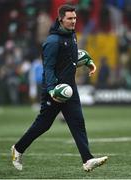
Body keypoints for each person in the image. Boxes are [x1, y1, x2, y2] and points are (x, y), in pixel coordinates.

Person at [11, 4, 108, 172]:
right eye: (70, 18)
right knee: (43, 125)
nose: (73, 21)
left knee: (78, 122)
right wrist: (51, 90)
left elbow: (71, 58)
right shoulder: (52, 42)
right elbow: (48, 68)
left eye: (75, 18)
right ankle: (18, 149)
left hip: (70, 88)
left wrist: (88, 62)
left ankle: (87, 160)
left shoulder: (72, 35)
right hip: (54, 90)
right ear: (61, 19)